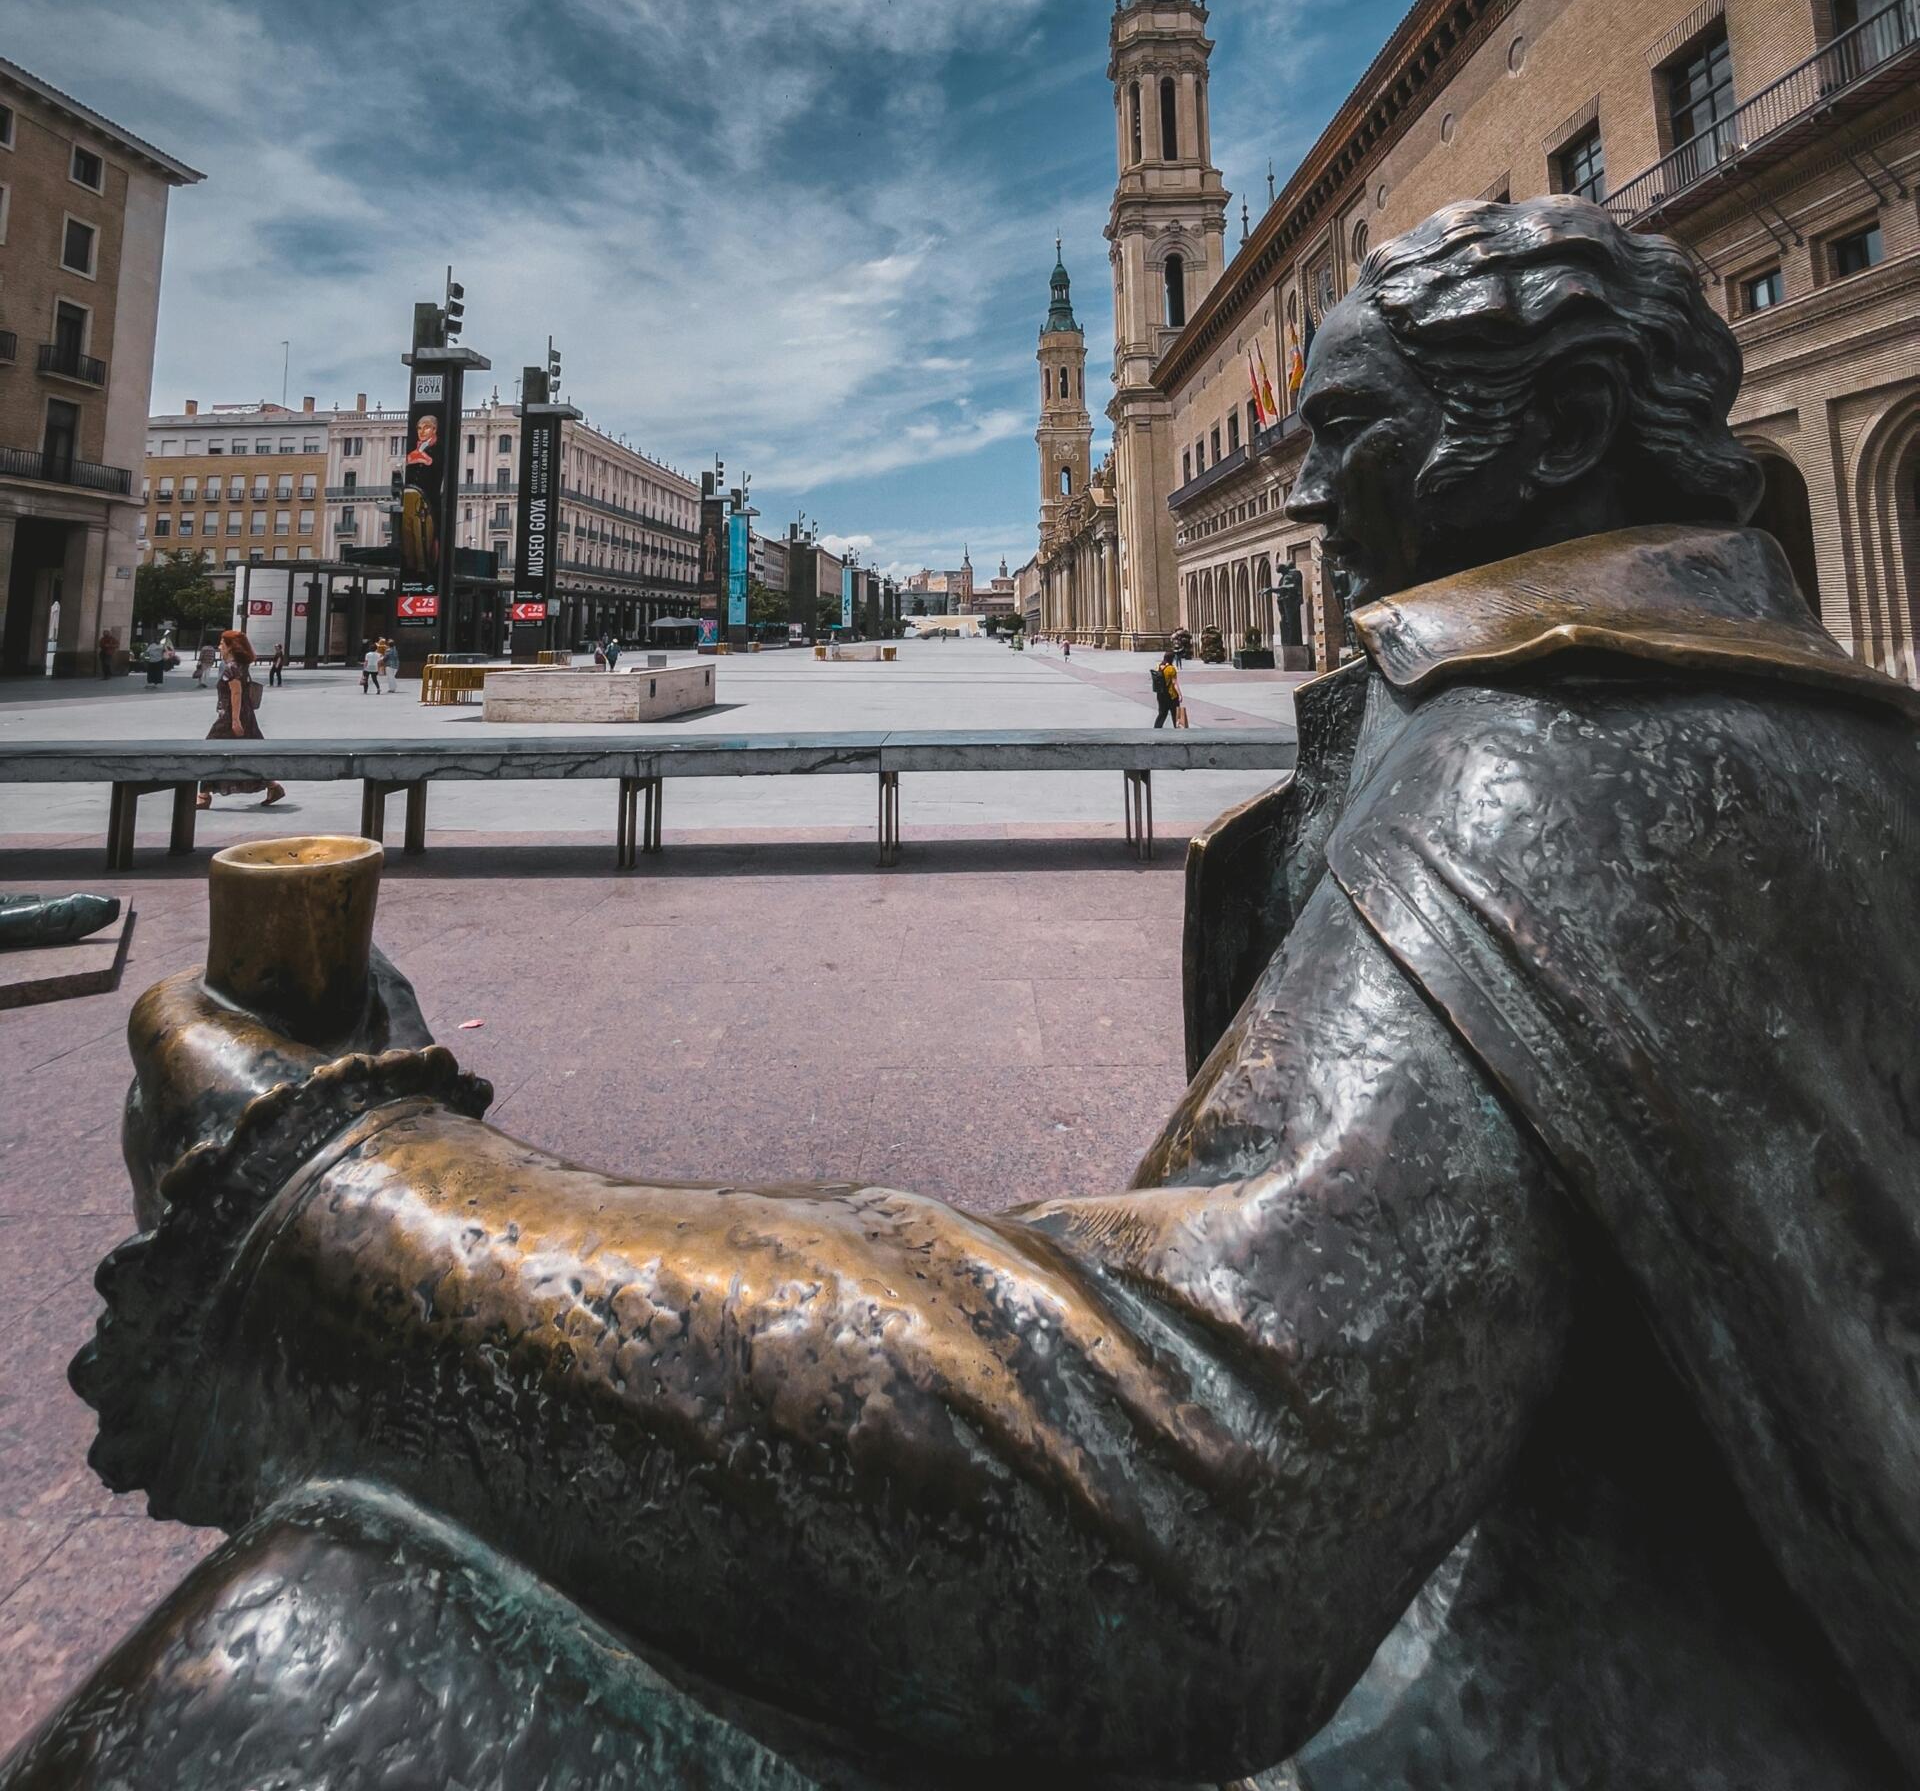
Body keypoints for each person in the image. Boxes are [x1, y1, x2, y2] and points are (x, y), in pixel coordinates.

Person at [51, 197, 1920, 1789]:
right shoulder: (1774, 721)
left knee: (291, 1669)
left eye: (1349, 435)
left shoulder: (1570, 761)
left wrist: (346, 1206)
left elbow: (1214, 1486)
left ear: (1568, 420)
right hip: (1627, 1639)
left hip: (1570, 1709)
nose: (1312, 484)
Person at [196, 629, 284, 811]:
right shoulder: (241, 665)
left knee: (210, 750)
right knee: (249, 751)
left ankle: (203, 795)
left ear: (230, 647)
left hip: (231, 717)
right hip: (247, 715)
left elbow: (236, 693)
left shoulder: (231, 668)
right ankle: (273, 786)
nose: (219, 646)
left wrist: (235, 721)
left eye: (222, 643)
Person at [1150, 651, 1177, 727]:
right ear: (1171, 659)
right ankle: (1177, 728)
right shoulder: (1171, 669)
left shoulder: (1158, 666)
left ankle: (1157, 728)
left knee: (1162, 713)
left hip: (1160, 693)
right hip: (1171, 695)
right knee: (1175, 713)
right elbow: (1174, 683)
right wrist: (1180, 695)